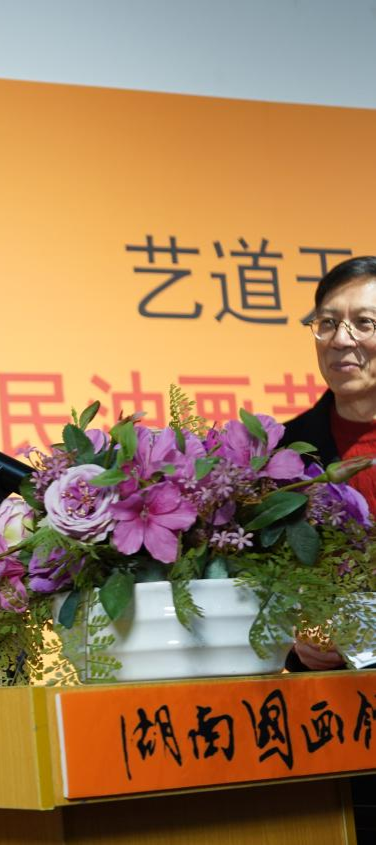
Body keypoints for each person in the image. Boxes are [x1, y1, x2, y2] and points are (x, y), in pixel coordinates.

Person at [281, 254, 376, 839]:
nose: (342, 340)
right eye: (327, 322)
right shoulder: (283, 451)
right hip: (328, 721)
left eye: (364, 323)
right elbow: (256, 574)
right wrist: (294, 633)